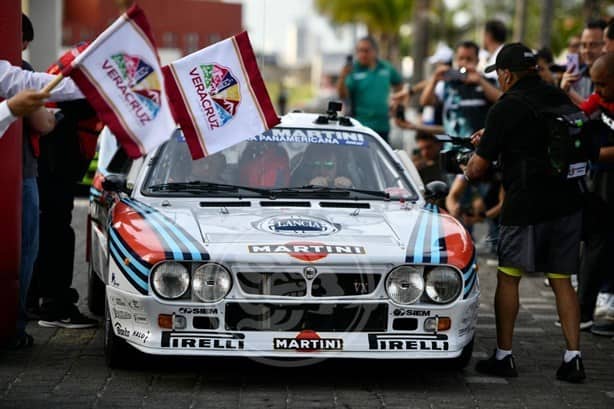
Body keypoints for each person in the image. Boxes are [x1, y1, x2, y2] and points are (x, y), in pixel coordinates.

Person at [465, 43, 586, 382]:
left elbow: (477, 170)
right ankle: (573, 358)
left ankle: (504, 355)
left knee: (509, 276)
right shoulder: (556, 96)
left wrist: (468, 163)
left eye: (499, 74)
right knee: (562, 280)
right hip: (567, 202)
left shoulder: (505, 107)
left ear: (505, 74)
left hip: (525, 204)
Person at [569, 53, 614, 337]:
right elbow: (583, 113)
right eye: (594, 85)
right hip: (600, 183)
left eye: (602, 85)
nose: (597, 91)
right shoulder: (598, 103)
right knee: (595, 244)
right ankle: (583, 310)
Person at [337, 36, 402, 142]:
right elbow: (342, 95)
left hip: (382, 126)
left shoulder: (386, 67)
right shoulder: (353, 70)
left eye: (366, 51)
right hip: (360, 126)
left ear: (375, 51)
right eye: (359, 51)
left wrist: (397, 104)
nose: (362, 54)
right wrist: (342, 77)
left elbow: (399, 84)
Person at [561, 20, 607, 105]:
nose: (587, 51)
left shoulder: (610, 79)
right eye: (583, 45)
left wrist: (570, 92)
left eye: (593, 45)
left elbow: (596, 112)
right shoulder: (575, 78)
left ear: (606, 45)